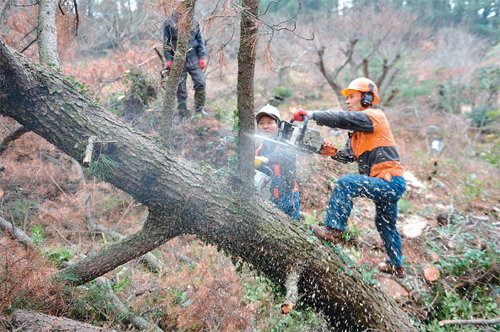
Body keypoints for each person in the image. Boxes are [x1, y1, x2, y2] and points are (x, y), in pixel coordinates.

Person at [291, 77, 407, 278]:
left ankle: (333, 230)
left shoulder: (374, 116)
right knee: (384, 222)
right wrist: (330, 151)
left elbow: (342, 118)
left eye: (352, 96)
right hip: (382, 183)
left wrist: (312, 115)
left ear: (367, 98)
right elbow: (348, 156)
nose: (347, 101)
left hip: (390, 182)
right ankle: (397, 265)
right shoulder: (356, 133)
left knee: (346, 183)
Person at [255, 105, 301, 221]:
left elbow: (284, 154)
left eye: (270, 122)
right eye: (261, 123)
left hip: (288, 199)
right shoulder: (258, 150)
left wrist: (265, 159)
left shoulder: (286, 145)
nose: (265, 126)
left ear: (278, 125)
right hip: (267, 200)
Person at [162, 12, 207, 117]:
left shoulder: (193, 19)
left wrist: (202, 57)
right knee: (180, 86)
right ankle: (182, 111)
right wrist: (169, 59)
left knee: (200, 82)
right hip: (177, 58)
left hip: (193, 56)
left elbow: (200, 39)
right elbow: (166, 42)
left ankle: (199, 109)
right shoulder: (168, 21)